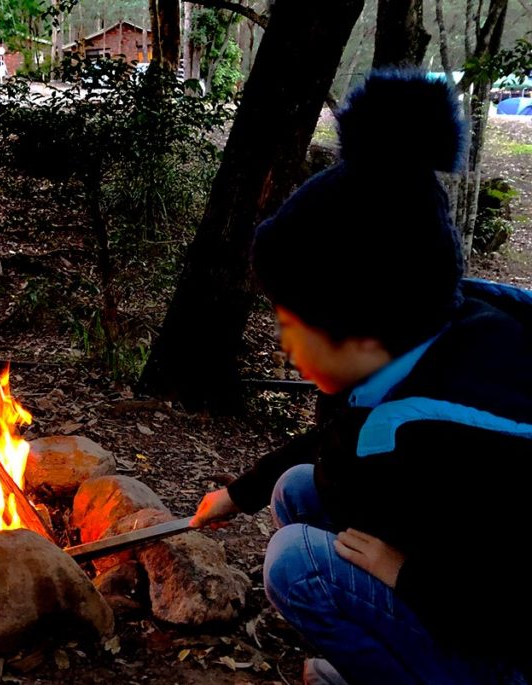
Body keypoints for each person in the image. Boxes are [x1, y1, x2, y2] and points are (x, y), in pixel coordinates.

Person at [189, 69, 532, 685]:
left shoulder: (460, 430)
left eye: (295, 324)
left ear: (364, 326)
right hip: (454, 569)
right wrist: (237, 494)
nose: (282, 345)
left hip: (501, 639)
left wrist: (405, 574)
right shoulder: (432, 334)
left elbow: (511, 593)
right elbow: (337, 438)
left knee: (297, 565)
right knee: (295, 488)